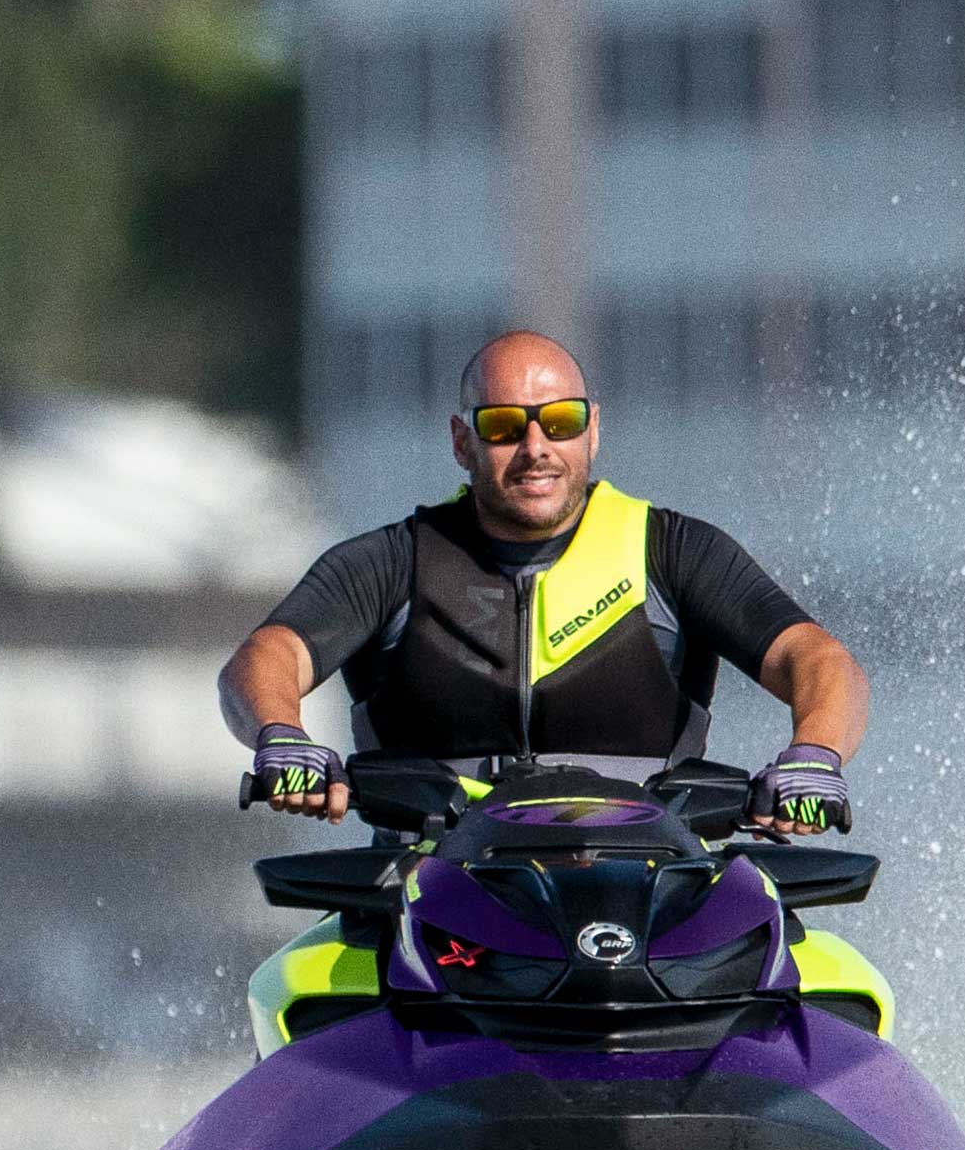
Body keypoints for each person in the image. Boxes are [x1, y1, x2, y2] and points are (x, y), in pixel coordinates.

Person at [221, 330, 865, 835]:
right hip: (428, 895)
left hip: (651, 891)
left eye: (560, 421)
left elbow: (816, 659)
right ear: (461, 441)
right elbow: (267, 656)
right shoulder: (393, 562)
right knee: (303, 990)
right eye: (503, 426)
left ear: (592, 430)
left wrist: (814, 756)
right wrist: (282, 736)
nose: (536, 447)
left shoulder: (676, 552)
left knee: (822, 978)